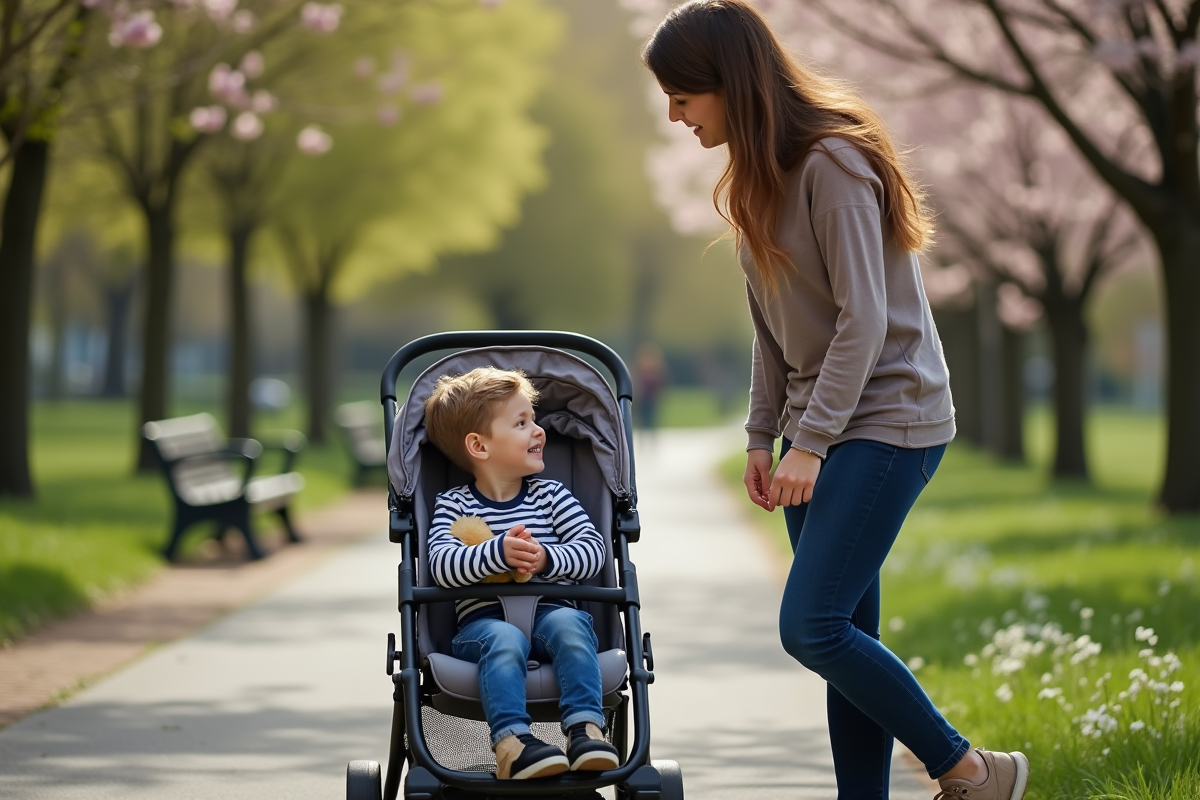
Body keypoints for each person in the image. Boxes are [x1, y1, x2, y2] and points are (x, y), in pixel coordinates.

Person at [641, 3, 1030, 800]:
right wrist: (762, 435)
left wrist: (811, 443)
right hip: (821, 426)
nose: (674, 114)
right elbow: (772, 331)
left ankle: (971, 772)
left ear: (729, 85)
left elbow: (867, 321)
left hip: (889, 418)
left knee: (811, 626)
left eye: (683, 96)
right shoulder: (754, 181)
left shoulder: (833, 165)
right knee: (847, 634)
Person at [422, 366, 621, 781]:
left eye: (533, 419)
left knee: (570, 624)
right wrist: (498, 552)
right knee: (505, 637)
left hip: (552, 609)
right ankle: (513, 743)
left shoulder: (552, 496)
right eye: (521, 422)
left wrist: (547, 559)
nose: (539, 430)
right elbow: (441, 564)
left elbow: (594, 551)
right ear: (479, 446)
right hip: (483, 624)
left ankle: (586, 731)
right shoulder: (453, 505)